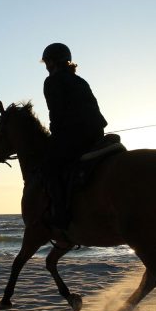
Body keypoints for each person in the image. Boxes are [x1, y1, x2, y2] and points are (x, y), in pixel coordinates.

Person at [40, 42, 107, 229]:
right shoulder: (80, 80)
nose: (46, 66)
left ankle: (61, 214)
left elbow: (56, 113)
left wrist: (54, 136)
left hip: (74, 134)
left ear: (52, 62)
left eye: (47, 62)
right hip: (96, 133)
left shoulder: (52, 81)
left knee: (48, 167)